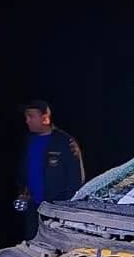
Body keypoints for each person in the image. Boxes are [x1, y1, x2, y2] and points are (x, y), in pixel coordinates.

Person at [16, 99, 84, 240]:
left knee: (55, 244)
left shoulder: (65, 142)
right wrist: (22, 191)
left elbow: (76, 178)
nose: (27, 121)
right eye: (26, 117)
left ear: (45, 118)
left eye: (31, 116)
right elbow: (24, 170)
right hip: (32, 207)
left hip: (55, 209)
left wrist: (67, 207)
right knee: (31, 243)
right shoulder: (29, 140)